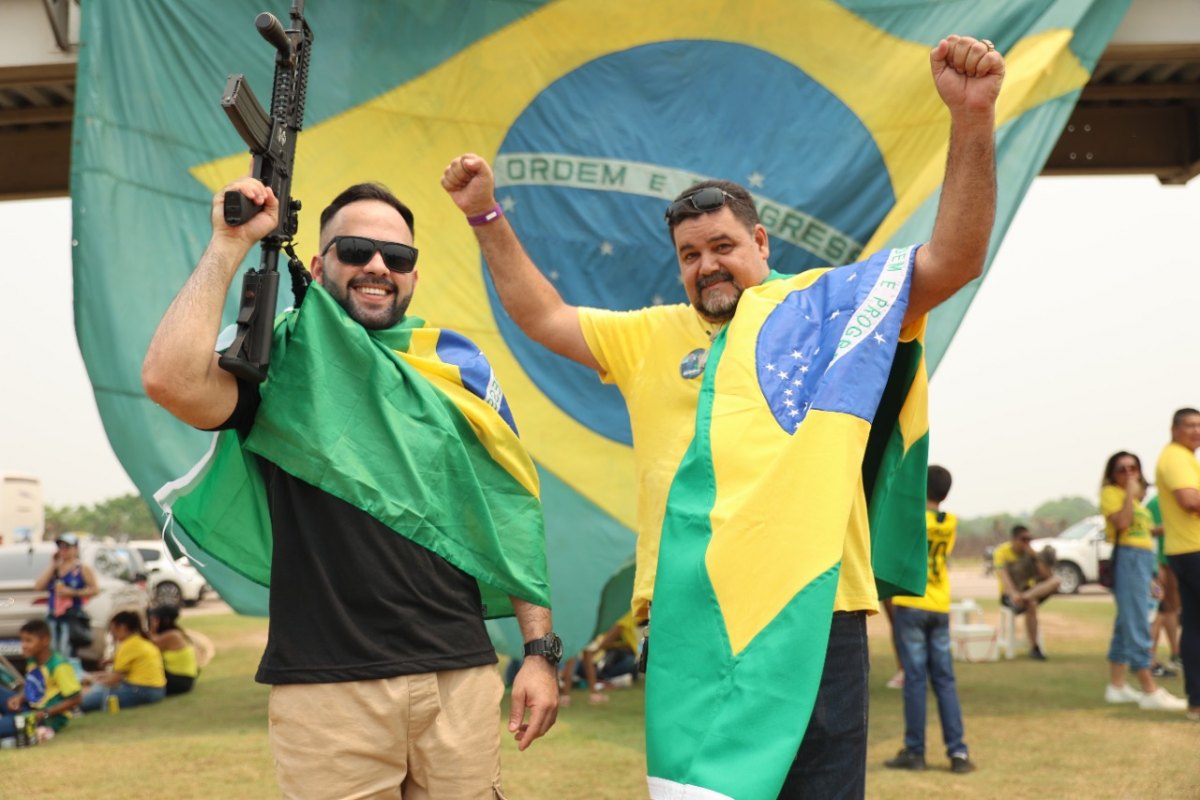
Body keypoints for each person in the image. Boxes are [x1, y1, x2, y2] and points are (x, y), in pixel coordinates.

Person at [443, 33, 1003, 799]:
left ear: (760, 241)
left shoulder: (828, 307)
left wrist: (972, 119)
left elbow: (954, 259)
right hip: (686, 612)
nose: (706, 264)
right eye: (689, 253)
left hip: (814, 608)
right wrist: (484, 217)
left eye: (722, 245)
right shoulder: (650, 335)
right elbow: (541, 315)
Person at [142, 177, 560, 798]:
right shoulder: (282, 361)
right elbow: (171, 380)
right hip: (328, 688)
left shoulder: (455, 367)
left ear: (414, 275)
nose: (376, 267)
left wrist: (540, 652)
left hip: (460, 678)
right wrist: (228, 245)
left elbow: (509, 515)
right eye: (355, 250)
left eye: (397, 258)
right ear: (317, 263)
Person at [885, 466, 975, 773]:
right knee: (945, 680)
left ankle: (915, 751)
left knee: (915, 681)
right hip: (939, 604)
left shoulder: (912, 519)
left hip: (911, 602)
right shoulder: (949, 523)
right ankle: (958, 752)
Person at [1098, 452, 1187, 711]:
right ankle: (1149, 688)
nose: (1128, 474)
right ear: (1111, 473)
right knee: (1137, 621)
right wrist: (1128, 493)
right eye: (1121, 469)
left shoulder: (1139, 503)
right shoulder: (1112, 495)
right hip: (1127, 557)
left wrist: (1153, 569)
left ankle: (1116, 685)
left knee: (1124, 623)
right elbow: (1124, 523)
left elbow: (1144, 533)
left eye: (1133, 468)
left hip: (1143, 558)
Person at [1154, 407, 1200, 721]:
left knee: (1195, 626)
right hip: (1193, 549)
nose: (1196, 431)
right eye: (1190, 425)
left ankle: (1197, 701)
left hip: (1184, 549)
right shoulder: (1175, 458)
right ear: (1174, 429)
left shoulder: (1184, 458)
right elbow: (1189, 500)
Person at [0, 619, 82, 738]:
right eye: (22, 641)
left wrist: (44, 714)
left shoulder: (59, 665)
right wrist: (20, 698)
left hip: (47, 719)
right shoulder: (32, 660)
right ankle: (10, 722)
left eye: (28, 641)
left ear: (45, 640)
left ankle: (10, 724)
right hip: (30, 709)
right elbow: (34, 686)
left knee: (7, 725)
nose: (23, 646)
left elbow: (76, 699)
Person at [993, 524, 1059, 660]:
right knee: (1031, 604)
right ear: (1014, 539)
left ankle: (1026, 597)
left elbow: (1047, 576)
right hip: (1009, 595)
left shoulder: (1031, 554)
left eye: (1029, 539)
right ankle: (1034, 647)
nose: (1026, 543)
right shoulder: (1002, 552)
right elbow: (1003, 575)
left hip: (1028, 592)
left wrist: (1035, 558)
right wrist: (1013, 594)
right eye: (1023, 540)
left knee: (1056, 581)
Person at [80, 610, 167, 712]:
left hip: (142, 691)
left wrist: (92, 681)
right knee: (95, 690)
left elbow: (113, 680)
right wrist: (95, 676)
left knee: (84, 701)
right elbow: (119, 674)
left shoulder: (128, 645)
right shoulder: (141, 641)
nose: (111, 634)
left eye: (112, 629)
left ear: (122, 627)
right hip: (158, 690)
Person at [33, 532, 98, 659]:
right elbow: (38, 586)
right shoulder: (55, 568)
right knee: (52, 650)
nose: (64, 550)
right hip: (53, 615)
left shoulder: (81, 568)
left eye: (67, 547)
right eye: (61, 547)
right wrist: (53, 565)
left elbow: (94, 589)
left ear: (75, 549)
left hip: (71, 615)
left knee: (66, 650)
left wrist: (73, 593)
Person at [1145, 494, 1182, 677]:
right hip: (1161, 565)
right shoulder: (1155, 504)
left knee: (1169, 609)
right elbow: (1148, 532)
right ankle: (1149, 661)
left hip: (1165, 564)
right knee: (1157, 611)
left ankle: (1174, 654)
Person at [147, 605, 198, 696]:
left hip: (180, 681)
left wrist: (152, 628)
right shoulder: (175, 632)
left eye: (155, 619)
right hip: (182, 679)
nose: (152, 621)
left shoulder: (172, 636)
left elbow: (148, 646)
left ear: (165, 620)